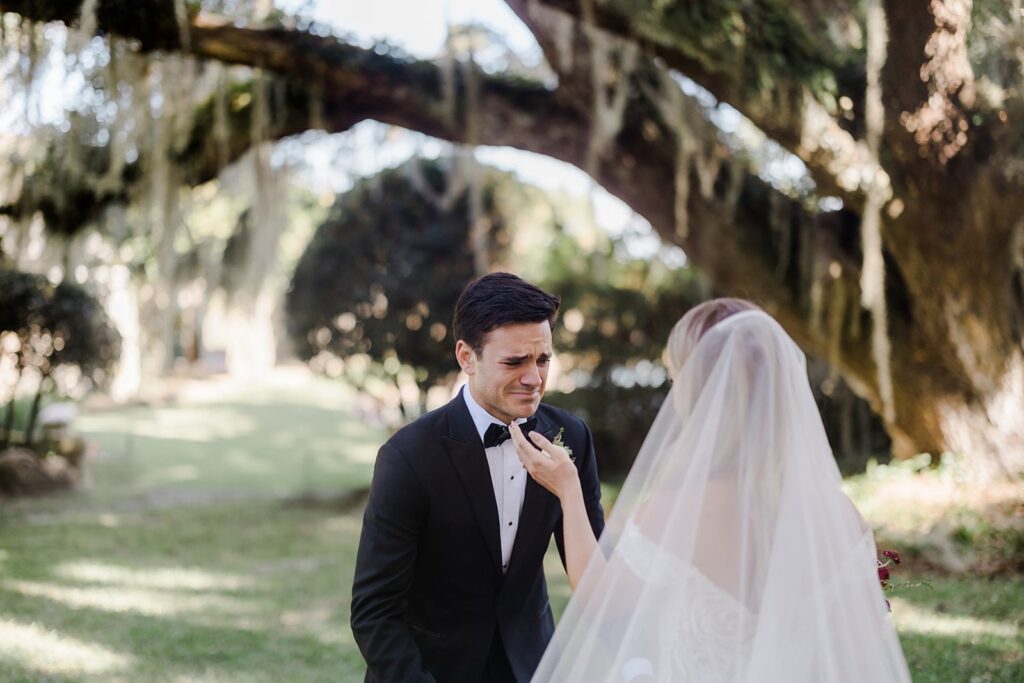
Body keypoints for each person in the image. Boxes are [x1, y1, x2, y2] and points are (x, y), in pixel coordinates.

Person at [511, 298, 911, 682]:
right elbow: (856, 652)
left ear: (702, 391)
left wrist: (570, 492)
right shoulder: (842, 516)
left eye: (677, 380)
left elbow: (603, 598)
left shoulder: (680, 511)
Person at [350, 272, 605, 683]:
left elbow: (597, 577)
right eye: (514, 362)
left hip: (532, 667)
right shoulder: (408, 456)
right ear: (467, 357)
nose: (534, 378)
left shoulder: (571, 438)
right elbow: (374, 611)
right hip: (432, 671)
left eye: (543, 360)